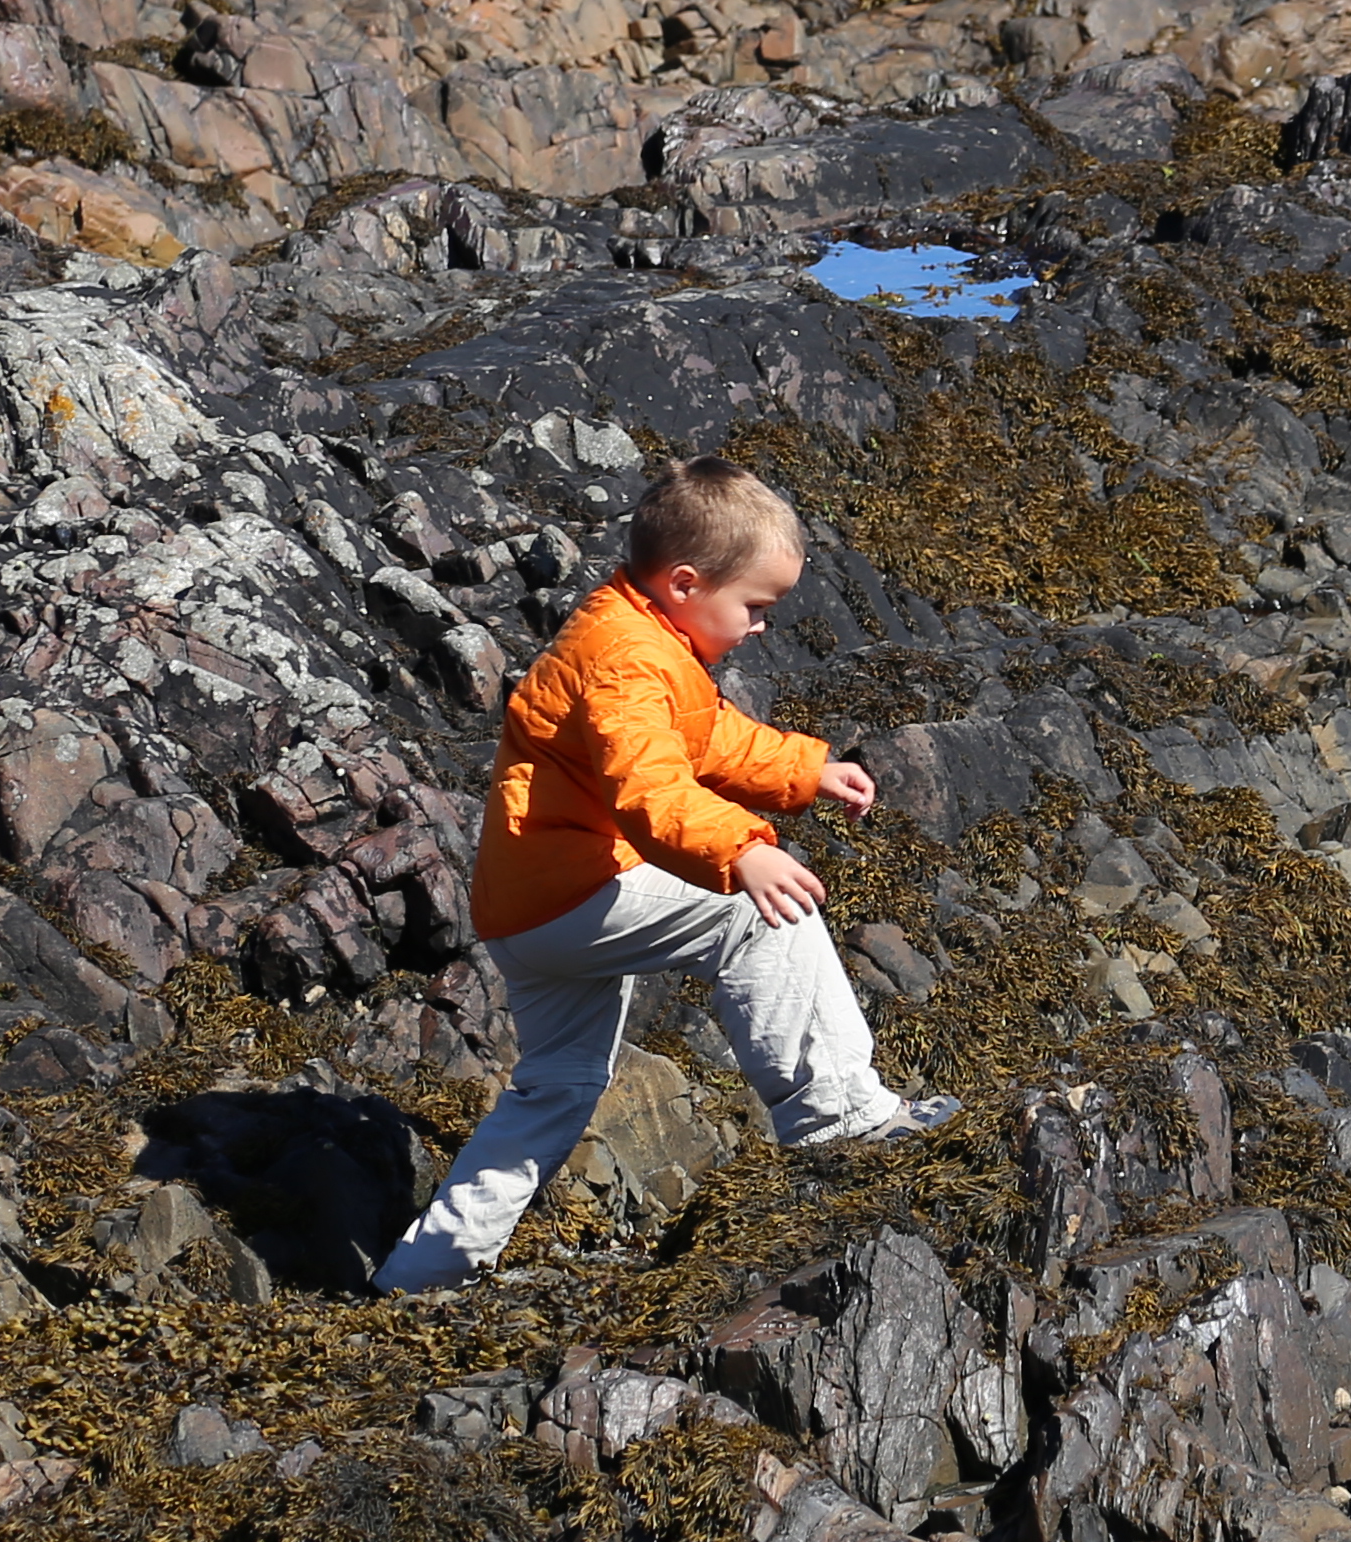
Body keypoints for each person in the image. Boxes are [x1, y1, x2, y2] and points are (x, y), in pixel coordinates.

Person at [378, 457, 957, 1292]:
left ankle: (426, 1270)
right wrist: (742, 850)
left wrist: (807, 770)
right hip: (574, 889)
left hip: (529, 910)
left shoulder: (645, 638)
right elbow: (648, 784)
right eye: (754, 607)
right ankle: (840, 1121)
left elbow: (710, 739)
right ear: (686, 583)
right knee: (759, 913)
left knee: (555, 1086)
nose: (761, 626)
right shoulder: (624, 660)